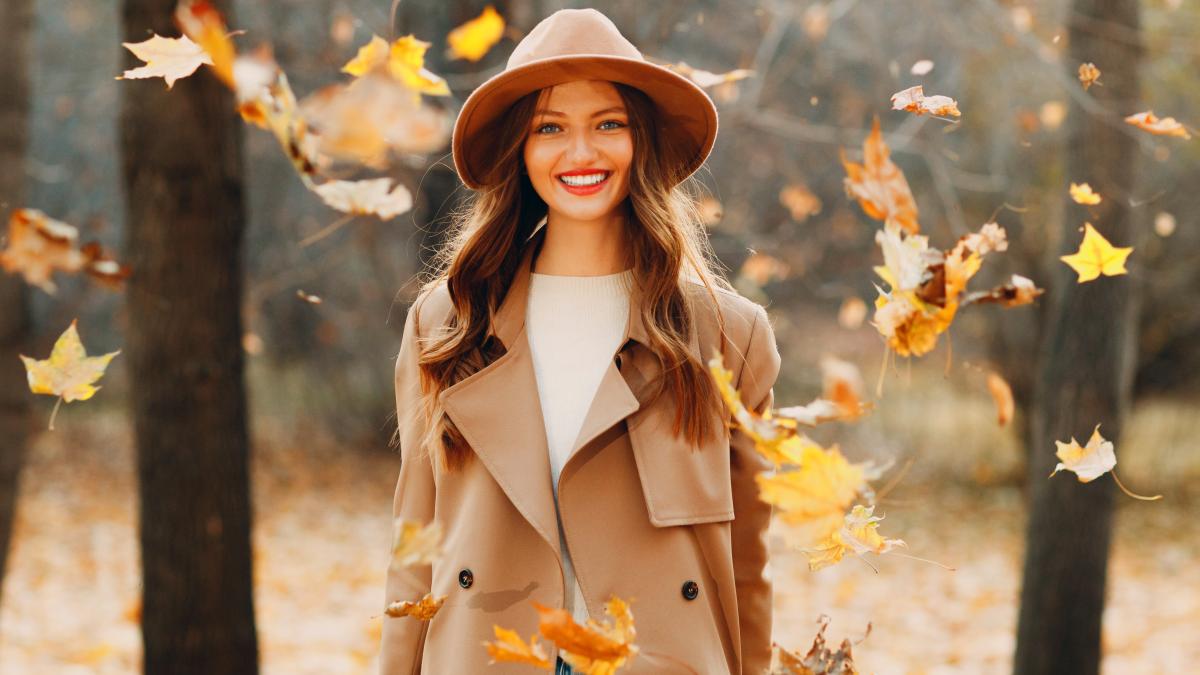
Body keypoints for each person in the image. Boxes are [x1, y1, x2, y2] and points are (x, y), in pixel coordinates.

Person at [379, 8, 781, 674]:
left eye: (608, 124)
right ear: (521, 148)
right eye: (550, 128)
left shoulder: (727, 334)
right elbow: (413, 549)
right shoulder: (447, 323)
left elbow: (747, 566)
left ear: (641, 140)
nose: (581, 153)